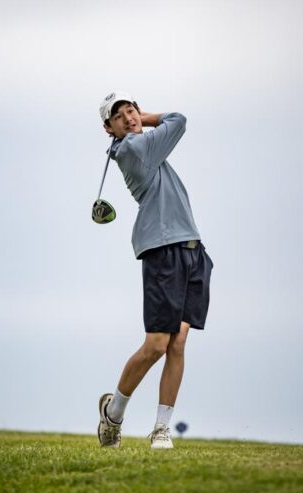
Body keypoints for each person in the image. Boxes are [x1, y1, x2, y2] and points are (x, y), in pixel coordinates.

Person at [97, 91, 214, 449]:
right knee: (157, 345)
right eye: (120, 116)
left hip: (192, 248)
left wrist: (138, 118)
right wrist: (147, 118)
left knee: (177, 343)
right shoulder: (135, 148)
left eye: (131, 109)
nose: (129, 117)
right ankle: (113, 415)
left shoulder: (144, 147)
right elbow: (178, 119)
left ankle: (161, 428)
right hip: (163, 250)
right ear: (109, 128)